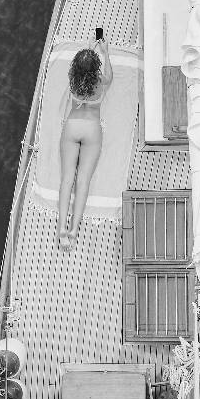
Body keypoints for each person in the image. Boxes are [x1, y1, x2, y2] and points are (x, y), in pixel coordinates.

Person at [58, 36, 112, 248]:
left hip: (72, 126)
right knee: (83, 181)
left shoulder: (73, 78)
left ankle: (61, 228)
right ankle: (73, 230)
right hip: (91, 129)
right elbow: (109, 75)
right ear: (95, 69)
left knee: (67, 179)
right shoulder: (101, 82)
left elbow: (82, 68)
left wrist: (89, 50)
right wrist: (104, 53)